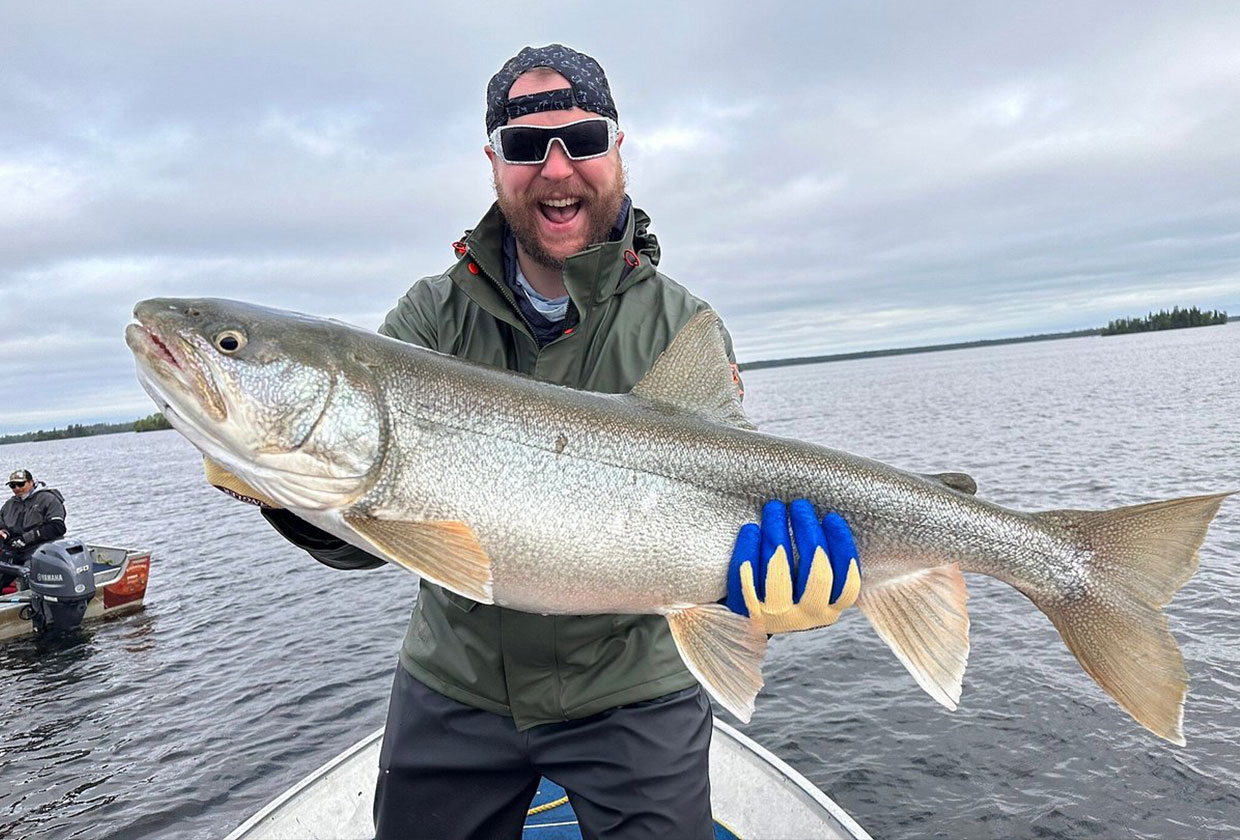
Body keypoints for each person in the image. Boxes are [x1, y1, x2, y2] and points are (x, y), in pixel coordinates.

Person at [209, 44, 862, 839]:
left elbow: (732, 506)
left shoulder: (682, 325)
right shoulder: (427, 320)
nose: (555, 170)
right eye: (525, 148)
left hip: (635, 685)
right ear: (494, 162)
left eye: (580, 140)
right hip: (458, 679)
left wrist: (772, 599)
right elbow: (360, 539)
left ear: (617, 149)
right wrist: (280, 486)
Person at [0, 469, 68, 592]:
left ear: (31, 482)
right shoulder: (9, 504)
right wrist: (4, 532)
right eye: (12, 485)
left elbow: (57, 527)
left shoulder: (48, 499)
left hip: (41, 549)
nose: (16, 488)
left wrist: (26, 539)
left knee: (30, 578)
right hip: (13, 550)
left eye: (21, 484)